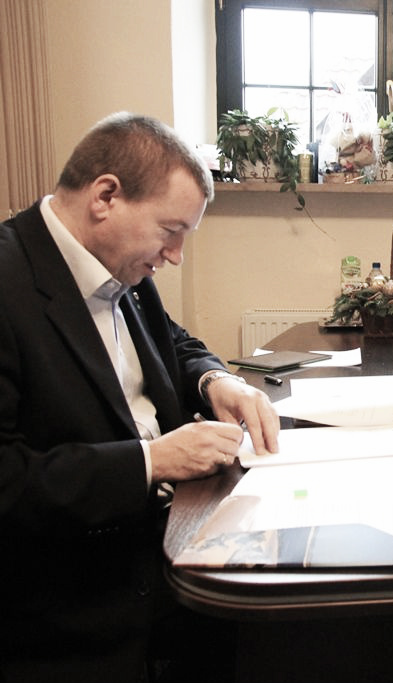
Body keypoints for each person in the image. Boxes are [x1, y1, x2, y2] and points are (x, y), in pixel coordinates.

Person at [0, 112, 280, 682]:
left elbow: (172, 341)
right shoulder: (10, 279)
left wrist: (216, 380)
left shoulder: (119, 269)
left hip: (174, 542)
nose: (175, 255)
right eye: (170, 231)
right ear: (106, 196)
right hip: (75, 606)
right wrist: (152, 461)